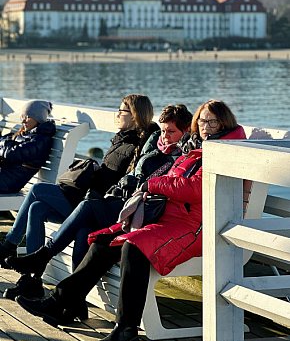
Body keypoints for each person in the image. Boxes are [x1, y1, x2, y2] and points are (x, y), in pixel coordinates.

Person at [14, 99, 246, 341]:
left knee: (134, 247)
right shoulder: (196, 149)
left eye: (212, 121)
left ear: (224, 123)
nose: (205, 126)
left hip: (197, 227)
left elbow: (195, 189)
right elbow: (175, 181)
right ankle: (61, 302)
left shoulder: (225, 151)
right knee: (105, 240)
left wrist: (152, 184)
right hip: (167, 221)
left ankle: (127, 328)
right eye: (202, 120)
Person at [5, 104, 192, 301]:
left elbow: (151, 181)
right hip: (110, 197)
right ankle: (39, 282)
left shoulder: (161, 148)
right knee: (45, 211)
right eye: (163, 131)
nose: (165, 136)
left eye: (171, 131)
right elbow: (131, 174)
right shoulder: (139, 143)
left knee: (59, 199)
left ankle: (33, 255)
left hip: (132, 207)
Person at [0, 94, 157, 272]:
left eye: (121, 110)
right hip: (87, 196)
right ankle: (31, 279)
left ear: (134, 115)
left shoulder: (140, 144)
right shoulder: (121, 137)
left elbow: (125, 180)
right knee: (37, 208)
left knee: (38, 189)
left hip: (95, 204)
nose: (117, 114)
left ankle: (9, 245)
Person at [0, 99, 55, 194]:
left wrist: (5, 144)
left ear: (38, 118)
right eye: (23, 116)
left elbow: (11, 153)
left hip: (9, 183)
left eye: (28, 117)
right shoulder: (23, 133)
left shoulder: (41, 140)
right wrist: (7, 144)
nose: (24, 121)